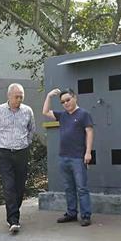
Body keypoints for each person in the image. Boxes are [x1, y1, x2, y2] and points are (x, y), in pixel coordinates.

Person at [42, 88, 94, 226]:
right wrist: (49, 96)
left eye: (68, 100)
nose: (65, 103)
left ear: (74, 98)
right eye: (63, 102)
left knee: (81, 188)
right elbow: (45, 112)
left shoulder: (84, 114)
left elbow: (89, 132)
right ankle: (71, 213)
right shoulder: (62, 115)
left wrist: (88, 152)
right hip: (64, 157)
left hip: (78, 157)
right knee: (68, 188)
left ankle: (86, 215)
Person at [0, 83, 36, 234]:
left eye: (21, 96)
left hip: (21, 152)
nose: (19, 99)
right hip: (4, 152)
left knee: (20, 186)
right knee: (8, 186)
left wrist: (26, 142)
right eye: (16, 97)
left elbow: (31, 129)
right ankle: (13, 220)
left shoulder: (27, 111)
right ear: (9, 96)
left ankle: (14, 211)